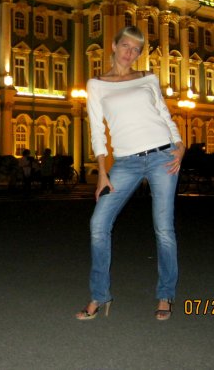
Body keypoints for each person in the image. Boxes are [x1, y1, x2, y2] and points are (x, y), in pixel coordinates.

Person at [75, 26, 185, 321]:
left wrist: (180, 145)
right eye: (125, 45)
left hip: (163, 156)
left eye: (136, 49)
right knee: (99, 223)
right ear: (113, 46)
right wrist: (102, 172)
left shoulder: (147, 78)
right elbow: (97, 130)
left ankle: (165, 294)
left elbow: (163, 113)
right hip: (125, 162)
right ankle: (100, 295)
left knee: (164, 228)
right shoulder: (97, 84)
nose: (130, 53)